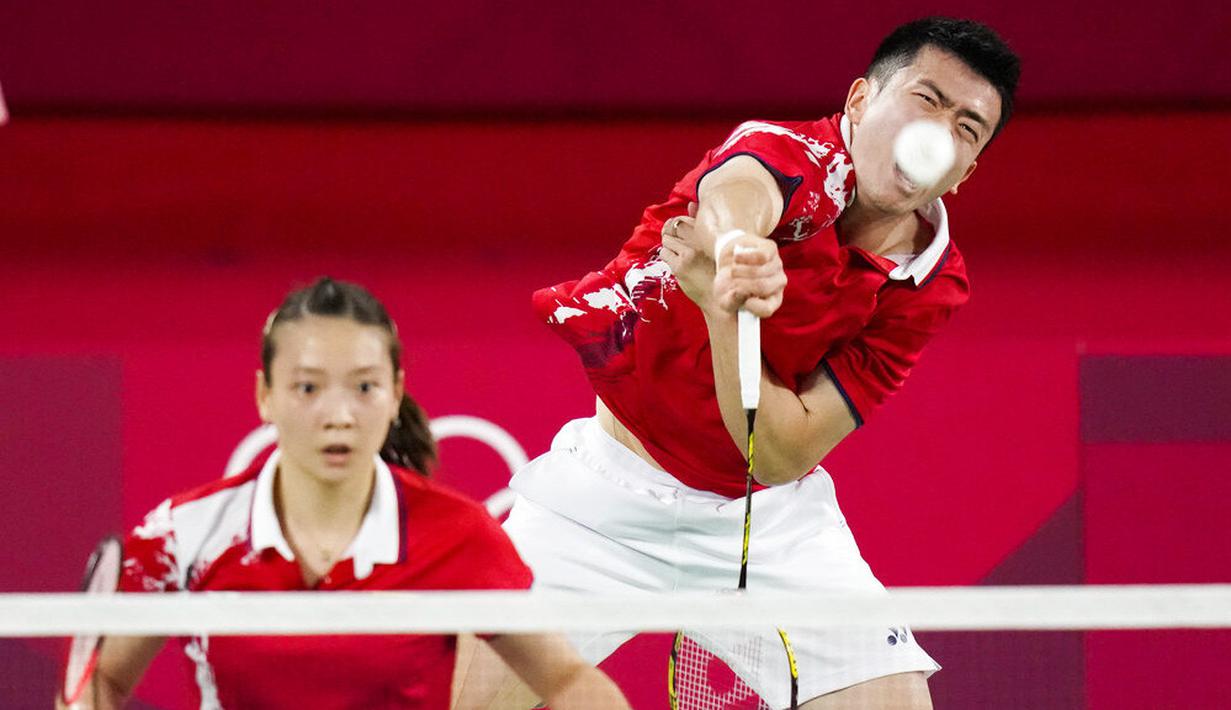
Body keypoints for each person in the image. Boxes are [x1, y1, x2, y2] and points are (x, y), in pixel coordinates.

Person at [499, 17, 1021, 709]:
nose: (938, 132)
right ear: (860, 100)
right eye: (926, 99)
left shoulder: (930, 280)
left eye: (967, 128)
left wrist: (725, 313)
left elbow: (775, 454)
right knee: (433, 696)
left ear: (967, 169)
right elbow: (738, 192)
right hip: (599, 501)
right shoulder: (787, 152)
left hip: (769, 525)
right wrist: (737, 251)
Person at [67, 278, 630, 710]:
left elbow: (567, 679)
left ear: (395, 393)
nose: (338, 415)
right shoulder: (184, 534)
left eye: (364, 387)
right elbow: (104, 680)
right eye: (308, 387)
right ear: (265, 395)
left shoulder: (457, 535)